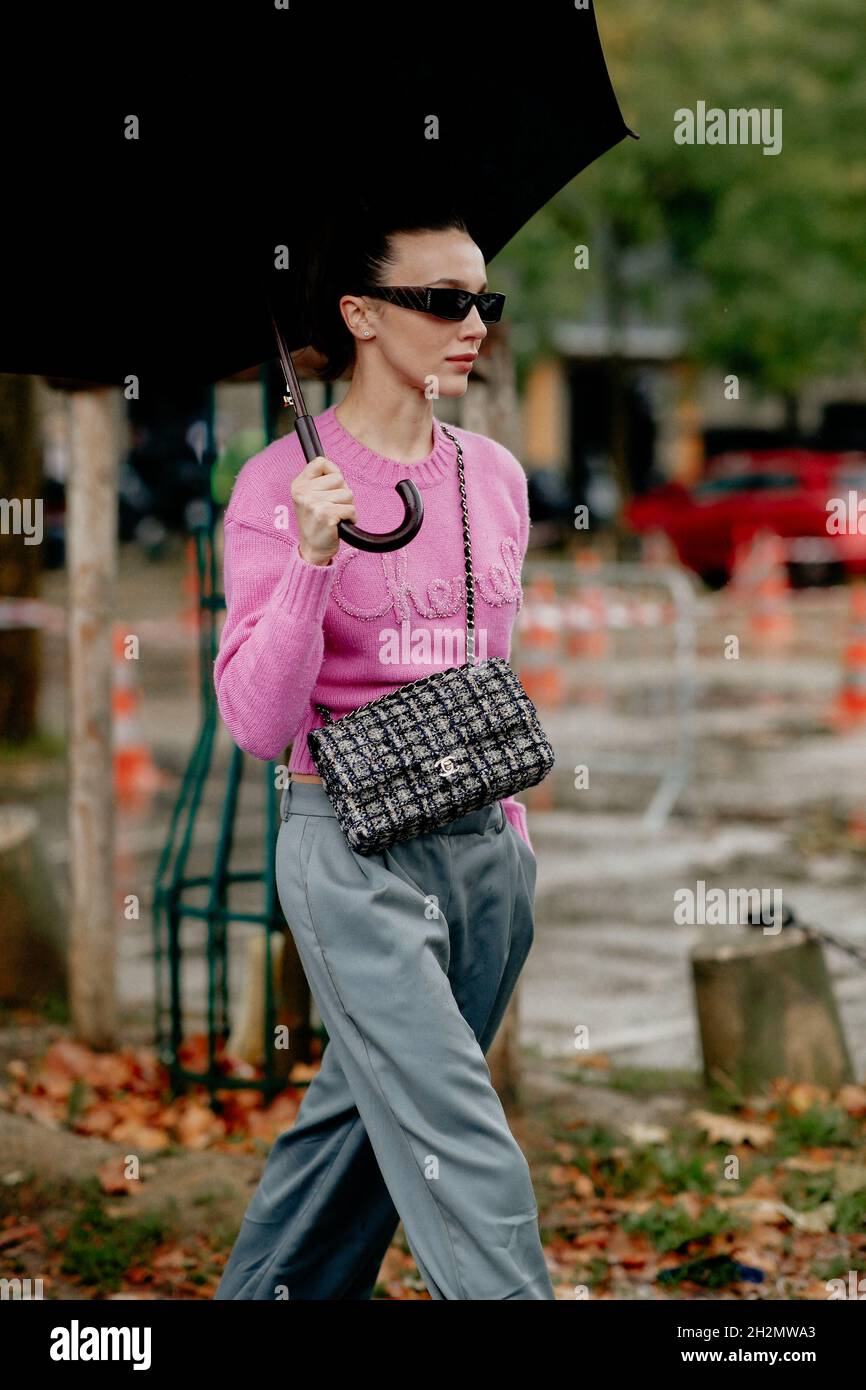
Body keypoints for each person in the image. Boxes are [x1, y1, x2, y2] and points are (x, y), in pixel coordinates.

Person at [212, 202, 555, 1301]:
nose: (472, 326)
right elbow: (259, 724)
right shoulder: (279, 488)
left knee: (358, 1131)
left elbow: (480, 664)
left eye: (482, 300)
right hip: (349, 848)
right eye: (442, 301)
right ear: (359, 314)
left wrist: (508, 843)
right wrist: (312, 557)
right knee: (460, 1136)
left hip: (482, 845)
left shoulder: (495, 475)